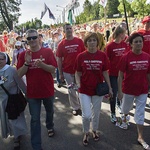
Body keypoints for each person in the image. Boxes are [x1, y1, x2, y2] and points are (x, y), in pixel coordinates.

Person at [17, 29, 57, 150]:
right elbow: (18, 74)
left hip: (47, 90)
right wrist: (27, 63)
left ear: (39, 38)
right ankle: (36, 146)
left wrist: (42, 65)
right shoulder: (23, 55)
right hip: (33, 93)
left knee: (50, 112)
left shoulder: (47, 51)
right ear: (26, 40)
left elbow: (53, 70)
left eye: (34, 37)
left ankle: (49, 126)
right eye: (29, 38)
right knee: (34, 119)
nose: (32, 40)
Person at [74, 32, 113, 146]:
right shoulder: (80, 56)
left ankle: (94, 130)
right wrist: (78, 83)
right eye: (89, 40)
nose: (92, 42)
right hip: (84, 89)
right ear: (86, 43)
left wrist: (109, 87)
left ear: (97, 42)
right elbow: (77, 72)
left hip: (98, 90)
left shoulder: (102, 55)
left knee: (96, 113)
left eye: (94, 40)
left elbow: (105, 72)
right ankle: (86, 132)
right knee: (86, 115)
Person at [118, 33, 150, 150]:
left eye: (140, 41)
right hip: (128, 89)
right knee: (126, 109)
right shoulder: (125, 57)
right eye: (135, 42)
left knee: (140, 113)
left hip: (142, 89)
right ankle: (125, 116)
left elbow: (148, 74)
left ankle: (140, 137)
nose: (138, 43)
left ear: (143, 43)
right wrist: (120, 91)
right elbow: (120, 75)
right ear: (131, 44)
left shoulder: (147, 57)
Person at [0, 52, 27, 150]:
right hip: (2, 101)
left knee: (15, 119)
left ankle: (17, 137)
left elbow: (20, 82)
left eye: (2, 59)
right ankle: (13, 133)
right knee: (6, 120)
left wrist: (27, 94)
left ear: (6, 59)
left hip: (13, 100)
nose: (0, 61)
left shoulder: (11, 70)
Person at [57, 23, 85, 116]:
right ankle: (75, 107)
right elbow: (59, 59)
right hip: (67, 71)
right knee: (71, 90)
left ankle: (84, 106)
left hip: (79, 71)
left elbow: (84, 54)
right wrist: (60, 73)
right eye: (67, 29)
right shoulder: (61, 44)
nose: (69, 30)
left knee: (81, 89)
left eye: (70, 28)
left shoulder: (79, 41)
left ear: (72, 30)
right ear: (64, 31)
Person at [105, 25, 128, 123]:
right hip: (113, 73)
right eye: (124, 33)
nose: (125, 35)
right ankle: (113, 113)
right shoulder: (110, 46)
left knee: (121, 92)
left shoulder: (125, 45)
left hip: (123, 74)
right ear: (120, 34)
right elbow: (106, 60)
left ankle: (119, 106)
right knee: (113, 93)